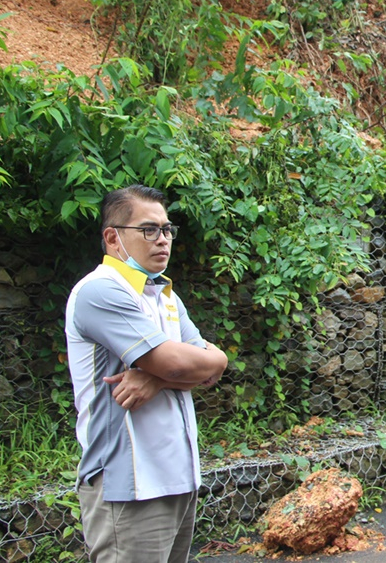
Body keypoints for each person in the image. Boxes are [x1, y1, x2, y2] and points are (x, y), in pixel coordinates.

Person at [65, 184, 228, 563]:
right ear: (112, 237)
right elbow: (178, 362)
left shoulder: (165, 295)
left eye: (167, 229)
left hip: (178, 477)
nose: (163, 240)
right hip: (129, 482)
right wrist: (174, 369)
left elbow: (215, 364)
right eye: (148, 230)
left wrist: (156, 377)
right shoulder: (101, 291)